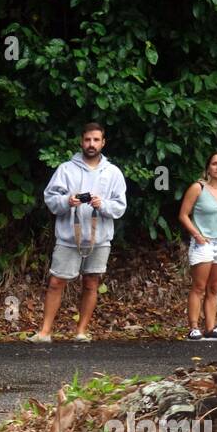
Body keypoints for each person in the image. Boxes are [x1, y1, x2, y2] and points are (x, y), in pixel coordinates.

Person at [27, 123, 127, 343]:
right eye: (88, 140)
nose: (91, 144)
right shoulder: (65, 169)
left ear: (103, 142)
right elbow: (50, 199)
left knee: (92, 281)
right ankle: (45, 332)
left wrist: (102, 205)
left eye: (96, 140)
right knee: (56, 281)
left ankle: (81, 331)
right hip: (68, 236)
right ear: (81, 141)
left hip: (99, 238)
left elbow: (120, 207)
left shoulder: (113, 173)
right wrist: (67, 201)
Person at [178, 150, 217, 341]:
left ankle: (211, 327)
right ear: (208, 167)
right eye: (215, 163)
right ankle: (194, 327)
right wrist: (196, 234)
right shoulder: (198, 188)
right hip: (202, 243)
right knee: (199, 286)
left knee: (214, 288)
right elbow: (183, 215)